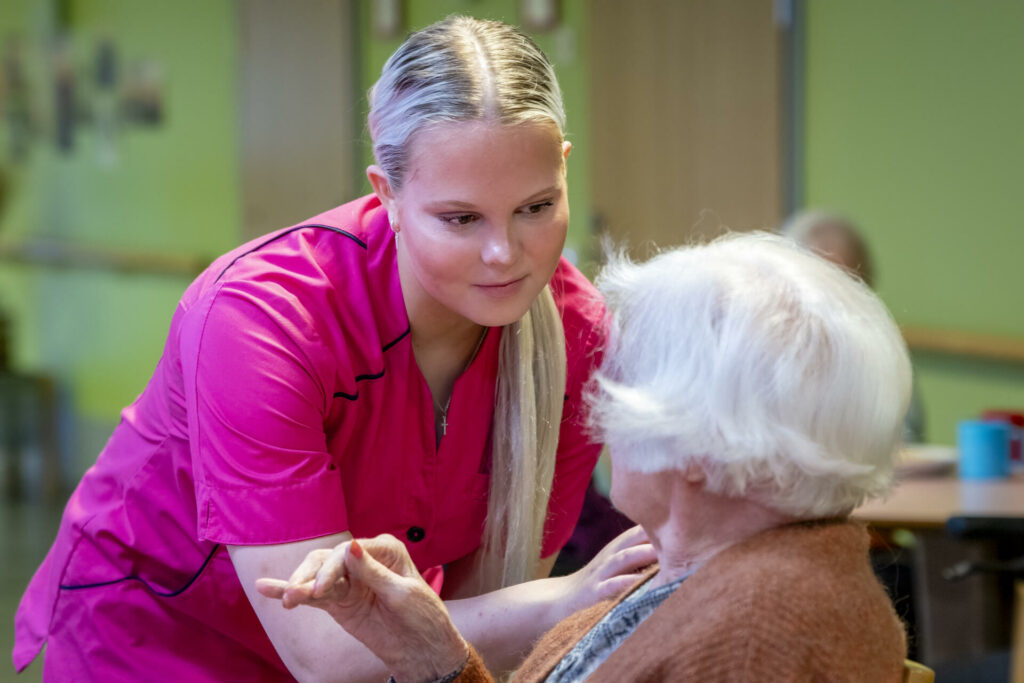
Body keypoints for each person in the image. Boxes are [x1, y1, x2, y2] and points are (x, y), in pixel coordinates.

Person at [14, 17, 650, 681]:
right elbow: (322, 649)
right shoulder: (261, 321)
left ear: (564, 171)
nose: (505, 253)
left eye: (536, 206)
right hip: (157, 641)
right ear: (388, 196)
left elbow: (474, 628)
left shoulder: (575, 335)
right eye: (461, 218)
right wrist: (570, 598)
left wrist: (547, 604)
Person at [260, 232, 913, 682]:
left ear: (694, 444)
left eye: (623, 377)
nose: (600, 402)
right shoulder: (697, 572)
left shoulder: (758, 628)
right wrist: (430, 650)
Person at [780, 209, 925, 442]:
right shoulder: (766, 350)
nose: (834, 300)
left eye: (847, 284)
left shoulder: (882, 353)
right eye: (821, 283)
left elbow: (907, 443)